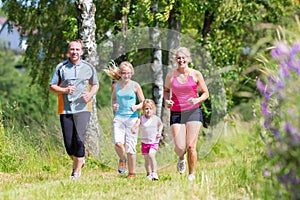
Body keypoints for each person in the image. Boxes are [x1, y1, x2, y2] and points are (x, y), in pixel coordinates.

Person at [49, 39, 99, 179]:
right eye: (72, 49)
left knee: (79, 139)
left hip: (83, 109)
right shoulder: (61, 67)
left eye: (77, 49)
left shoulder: (89, 67)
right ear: (68, 51)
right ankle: (79, 160)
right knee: (69, 144)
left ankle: (76, 172)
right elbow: (52, 86)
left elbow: (95, 85)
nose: (74, 52)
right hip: (65, 109)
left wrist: (90, 94)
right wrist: (64, 90)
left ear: (81, 51)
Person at [163, 47, 209, 181]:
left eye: (183, 58)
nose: (181, 60)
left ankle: (191, 174)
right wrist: (167, 101)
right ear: (175, 60)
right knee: (180, 147)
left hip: (193, 111)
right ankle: (181, 157)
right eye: (178, 58)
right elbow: (166, 91)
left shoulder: (196, 74)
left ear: (188, 59)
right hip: (176, 112)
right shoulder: (171, 75)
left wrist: (197, 99)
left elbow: (206, 93)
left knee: (191, 146)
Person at [104, 61, 145, 178]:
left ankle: (131, 173)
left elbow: (144, 102)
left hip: (132, 119)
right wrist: (114, 105)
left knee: (131, 147)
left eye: (128, 73)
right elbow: (113, 99)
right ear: (120, 73)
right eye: (123, 73)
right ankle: (122, 159)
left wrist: (137, 106)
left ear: (131, 73)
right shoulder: (115, 86)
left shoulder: (135, 85)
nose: (126, 75)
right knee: (118, 143)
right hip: (119, 119)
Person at [131, 99, 163, 180]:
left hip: (154, 141)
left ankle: (154, 173)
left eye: (150, 108)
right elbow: (135, 125)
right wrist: (134, 129)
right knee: (146, 160)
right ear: (143, 110)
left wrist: (159, 132)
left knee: (151, 155)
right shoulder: (141, 119)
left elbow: (160, 125)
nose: (148, 111)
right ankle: (148, 174)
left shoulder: (156, 118)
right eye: (146, 109)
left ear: (153, 109)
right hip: (144, 142)